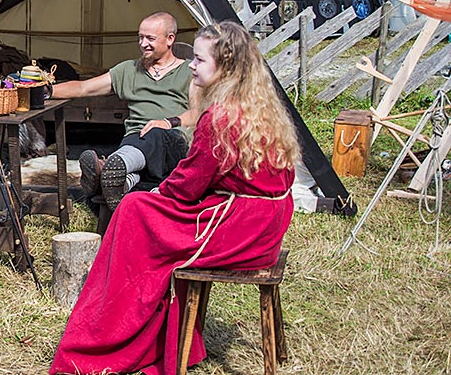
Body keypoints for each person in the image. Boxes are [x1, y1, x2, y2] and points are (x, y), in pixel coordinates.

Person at [50, 21, 300, 375]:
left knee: (134, 209)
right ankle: (159, 335)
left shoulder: (221, 117)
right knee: (141, 207)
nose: (192, 66)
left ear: (225, 66)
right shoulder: (258, 106)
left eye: (199, 60)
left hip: (240, 228)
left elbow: (187, 186)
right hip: (265, 224)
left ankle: (107, 335)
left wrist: (156, 193)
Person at [51, 12, 196, 210]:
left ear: (170, 39)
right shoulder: (128, 70)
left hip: (173, 142)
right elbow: (83, 88)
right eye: (140, 37)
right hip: (136, 141)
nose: (143, 43)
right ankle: (117, 179)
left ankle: (110, 166)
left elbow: (199, 112)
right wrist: (46, 90)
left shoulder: (190, 72)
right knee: (133, 153)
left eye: (150, 38)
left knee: (154, 134)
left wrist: (168, 122)